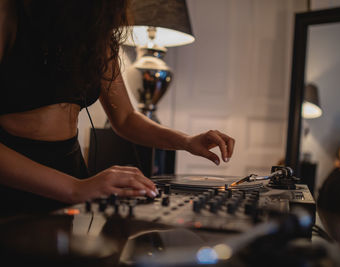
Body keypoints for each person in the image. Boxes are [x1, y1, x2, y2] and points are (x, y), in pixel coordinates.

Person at [0, 0, 235, 216]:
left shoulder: (93, 31)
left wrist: (186, 141)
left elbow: (125, 118)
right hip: (17, 179)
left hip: (70, 170)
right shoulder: (9, 11)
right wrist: (74, 188)